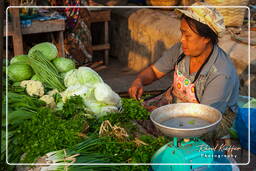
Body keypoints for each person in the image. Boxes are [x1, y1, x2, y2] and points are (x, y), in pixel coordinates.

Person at [128, 2, 240, 140]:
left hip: (210, 120)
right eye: (182, 33)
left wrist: (166, 116)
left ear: (206, 38)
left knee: (164, 135)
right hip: (179, 104)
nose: (182, 39)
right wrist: (139, 81)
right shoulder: (182, 50)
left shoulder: (221, 73)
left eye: (187, 35)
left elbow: (203, 118)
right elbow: (155, 71)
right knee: (134, 118)